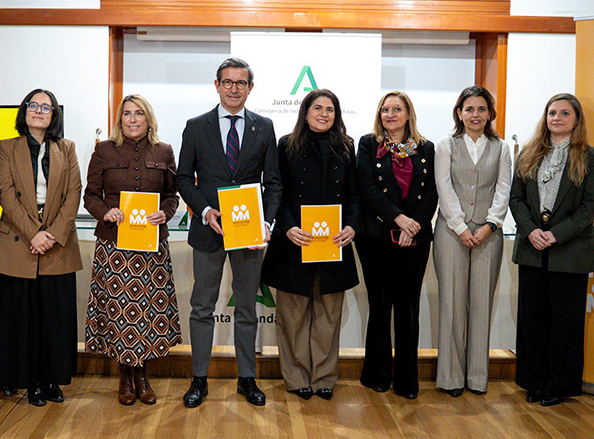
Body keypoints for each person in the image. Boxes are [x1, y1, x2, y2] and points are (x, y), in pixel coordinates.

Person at [176, 57, 282, 407]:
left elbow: (274, 183)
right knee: (202, 306)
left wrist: (266, 223)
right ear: (217, 85)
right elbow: (182, 178)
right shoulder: (196, 126)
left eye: (241, 83)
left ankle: (247, 379)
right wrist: (205, 212)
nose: (234, 88)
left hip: (250, 234)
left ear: (250, 88)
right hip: (209, 232)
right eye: (228, 82)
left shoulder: (264, 127)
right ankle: (199, 379)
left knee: (248, 307)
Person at [260, 89, 359, 401]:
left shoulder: (346, 146)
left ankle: (324, 378)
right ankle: (296, 377)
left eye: (330, 109)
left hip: (333, 243)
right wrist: (287, 227)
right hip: (294, 243)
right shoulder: (286, 145)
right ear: (305, 112)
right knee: (293, 315)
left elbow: (354, 194)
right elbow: (278, 191)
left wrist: (351, 226)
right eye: (318, 108)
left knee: (329, 314)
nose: (324, 114)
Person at [83, 94, 181, 406]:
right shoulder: (103, 150)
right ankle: (125, 377)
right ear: (119, 119)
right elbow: (90, 195)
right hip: (114, 246)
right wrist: (105, 212)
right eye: (127, 114)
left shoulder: (164, 151)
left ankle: (142, 375)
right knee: (120, 313)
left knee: (146, 314)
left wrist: (165, 212)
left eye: (139, 114)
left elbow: (172, 195)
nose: (133, 119)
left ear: (148, 118)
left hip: (151, 247)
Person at [509, 93, 594, 407]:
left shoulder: (590, 157)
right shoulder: (529, 152)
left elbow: (590, 207)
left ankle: (558, 385)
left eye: (565, 113)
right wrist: (531, 230)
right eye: (552, 113)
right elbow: (516, 199)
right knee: (532, 321)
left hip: (570, 251)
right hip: (533, 248)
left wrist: (555, 235)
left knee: (565, 324)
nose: (557, 118)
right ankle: (534, 382)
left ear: (576, 120)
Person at [0, 88, 82, 407]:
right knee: (23, 317)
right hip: (20, 242)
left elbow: (74, 194)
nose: (39, 110)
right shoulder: (7, 147)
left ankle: (52, 380)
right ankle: (29, 383)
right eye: (33, 105)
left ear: (54, 114)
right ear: (24, 111)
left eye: (46, 107)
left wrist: (52, 234)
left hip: (58, 243)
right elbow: (6, 194)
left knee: (56, 317)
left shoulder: (66, 148)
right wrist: (34, 234)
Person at [356, 90, 437, 400]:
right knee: (380, 306)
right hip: (375, 237)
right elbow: (367, 187)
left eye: (396, 109)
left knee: (407, 308)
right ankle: (377, 373)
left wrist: (413, 225)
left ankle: (406, 380)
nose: (390, 114)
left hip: (415, 239)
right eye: (385, 109)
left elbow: (432, 192)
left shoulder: (427, 148)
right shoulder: (368, 144)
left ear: (407, 114)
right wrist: (398, 220)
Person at [433, 86, 512, 397]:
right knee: (452, 304)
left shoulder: (501, 147)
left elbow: (503, 187)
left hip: (488, 235)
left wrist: (491, 224)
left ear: (490, 114)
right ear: (459, 113)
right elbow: (443, 186)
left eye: (481, 109)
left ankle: (477, 378)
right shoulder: (446, 145)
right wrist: (460, 225)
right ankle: (451, 377)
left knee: (481, 305)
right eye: (469, 109)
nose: (475, 115)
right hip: (452, 233)